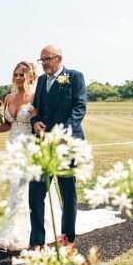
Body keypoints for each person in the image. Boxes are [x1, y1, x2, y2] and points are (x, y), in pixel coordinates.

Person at [0, 61, 63, 251]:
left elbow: (41, 123)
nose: (18, 78)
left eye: (22, 74)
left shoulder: (35, 97)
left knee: (24, 190)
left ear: (31, 76)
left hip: (30, 147)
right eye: (16, 74)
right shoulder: (8, 97)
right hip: (12, 148)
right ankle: (12, 232)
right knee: (15, 190)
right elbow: (7, 125)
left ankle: (12, 237)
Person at [30, 44, 87, 247]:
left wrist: (65, 134)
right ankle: (37, 241)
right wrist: (34, 122)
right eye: (41, 60)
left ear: (59, 58)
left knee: (67, 193)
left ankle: (67, 238)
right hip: (43, 145)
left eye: (47, 59)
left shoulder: (75, 77)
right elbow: (36, 108)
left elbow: (80, 107)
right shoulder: (41, 80)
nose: (44, 63)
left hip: (66, 145)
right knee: (35, 192)